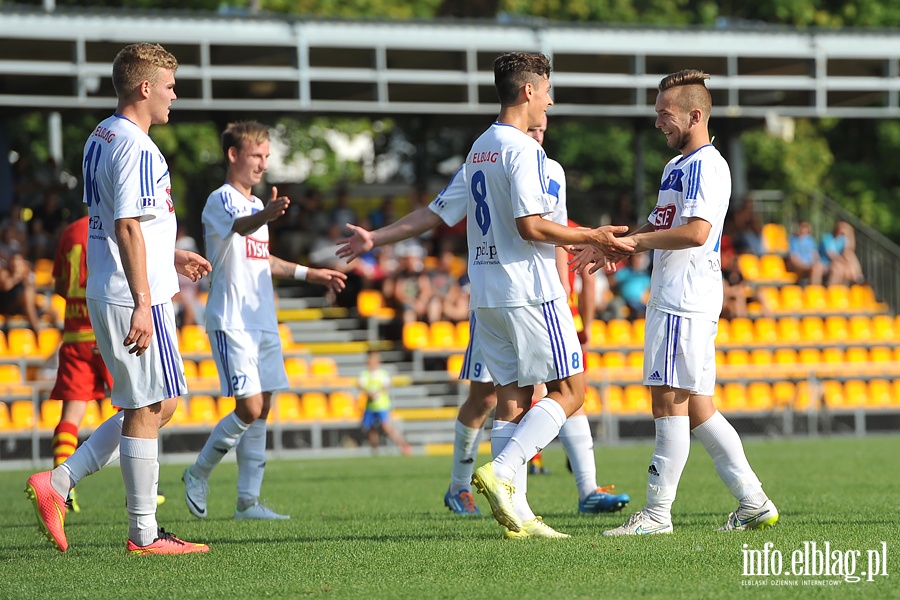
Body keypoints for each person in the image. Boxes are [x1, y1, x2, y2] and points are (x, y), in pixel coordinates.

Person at [341, 52, 631, 538]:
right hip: (530, 291)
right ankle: (504, 471)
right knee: (572, 391)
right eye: (547, 91)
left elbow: (435, 213)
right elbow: (531, 226)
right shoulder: (522, 149)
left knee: (511, 403)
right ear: (527, 92)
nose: (550, 102)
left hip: (487, 296)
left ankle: (518, 515)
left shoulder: (480, 147)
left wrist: (378, 237)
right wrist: (593, 236)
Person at [25, 42, 212, 554]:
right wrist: (144, 299)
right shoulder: (135, 145)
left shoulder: (101, 135)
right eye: (171, 87)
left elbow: (114, 223)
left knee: (160, 402)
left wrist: (168, 257)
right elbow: (127, 225)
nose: (176, 97)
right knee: (148, 405)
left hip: (118, 283)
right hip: (132, 294)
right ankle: (144, 534)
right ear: (145, 87)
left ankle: (59, 483)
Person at [573, 69, 779, 536]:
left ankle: (657, 514)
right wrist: (611, 245)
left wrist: (636, 246)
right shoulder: (675, 167)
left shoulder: (709, 164)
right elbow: (657, 222)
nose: (658, 123)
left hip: (682, 299)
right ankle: (754, 501)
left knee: (667, 401)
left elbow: (697, 232)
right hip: (681, 297)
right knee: (699, 409)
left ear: (695, 115)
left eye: (665, 114)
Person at [182, 121, 347, 521]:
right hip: (232, 318)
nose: (262, 164)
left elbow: (264, 259)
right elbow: (239, 230)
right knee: (250, 406)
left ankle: (247, 502)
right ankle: (197, 473)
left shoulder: (258, 206)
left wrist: (313, 273)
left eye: (266, 156)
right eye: (256, 155)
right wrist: (267, 214)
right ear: (233, 155)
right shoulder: (221, 199)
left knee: (265, 405)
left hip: (263, 320)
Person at [48, 216, 114, 514]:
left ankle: (61, 491)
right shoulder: (114, 223)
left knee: (71, 414)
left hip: (76, 333)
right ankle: (143, 488)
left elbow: (61, 284)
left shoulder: (70, 230)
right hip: (108, 329)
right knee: (137, 411)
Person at [358, 350, 412, 455]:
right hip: (370, 406)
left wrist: (375, 392)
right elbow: (362, 386)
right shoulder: (365, 374)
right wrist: (369, 393)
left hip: (382, 405)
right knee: (371, 429)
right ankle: (374, 451)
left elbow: (385, 386)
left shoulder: (382, 374)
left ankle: (404, 446)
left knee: (387, 427)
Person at [820, 220, 864, 285]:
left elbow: (850, 249)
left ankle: (857, 276)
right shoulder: (828, 238)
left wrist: (850, 235)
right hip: (826, 262)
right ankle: (832, 290)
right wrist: (844, 262)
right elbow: (830, 255)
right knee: (838, 268)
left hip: (839, 261)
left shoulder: (842, 239)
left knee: (849, 255)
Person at [787, 221, 824, 285]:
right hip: (799, 267)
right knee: (815, 269)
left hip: (810, 265)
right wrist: (806, 266)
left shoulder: (810, 241)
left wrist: (816, 263)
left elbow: (814, 255)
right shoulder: (793, 241)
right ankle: (813, 291)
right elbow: (794, 258)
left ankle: (817, 290)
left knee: (819, 267)